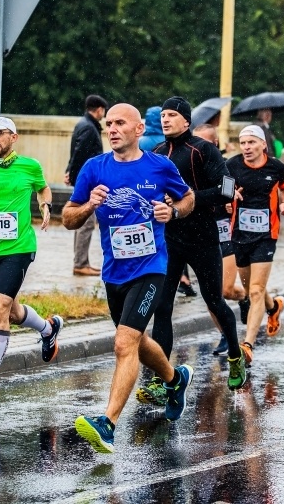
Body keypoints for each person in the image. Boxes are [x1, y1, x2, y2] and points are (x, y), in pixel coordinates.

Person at [63, 103, 196, 453]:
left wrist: (174, 211)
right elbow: (68, 218)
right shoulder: (94, 168)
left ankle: (107, 423)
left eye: (121, 123)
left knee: (123, 343)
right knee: (135, 340)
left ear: (139, 129)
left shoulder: (159, 166)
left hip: (152, 268)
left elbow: (188, 199)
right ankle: (175, 379)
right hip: (114, 272)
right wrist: (88, 205)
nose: (113, 129)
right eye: (109, 123)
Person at [138, 96, 246, 406]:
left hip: (202, 237)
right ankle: (162, 380)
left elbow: (226, 190)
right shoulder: (156, 153)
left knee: (214, 300)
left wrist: (188, 198)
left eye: (173, 115)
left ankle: (236, 354)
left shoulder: (203, 149)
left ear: (186, 120)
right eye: (164, 115)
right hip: (170, 239)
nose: (166, 119)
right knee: (162, 306)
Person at [0, 117, 64, 406]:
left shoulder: (29, 166)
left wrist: (45, 204)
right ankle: (48, 328)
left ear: (13, 137)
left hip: (20, 248)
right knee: (6, 310)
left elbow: (43, 188)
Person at [227, 125, 284, 364]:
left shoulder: (276, 167)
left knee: (255, 290)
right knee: (250, 289)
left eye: (251, 143)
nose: (246, 147)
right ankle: (274, 307)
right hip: (240, 234)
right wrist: (230, 196)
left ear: (263, 145)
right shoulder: (231, 165)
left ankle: (247, 345)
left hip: (267, 234)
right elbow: (225, 191)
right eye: (243, 143)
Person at [193, 122, 249, 354]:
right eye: (194, 142)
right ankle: (225, 335)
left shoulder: (225, 168)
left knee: (225, 290)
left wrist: (231, 200)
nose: (197, 148)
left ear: (215, 145)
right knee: (210, 295)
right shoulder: (185, 167)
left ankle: (246, 297)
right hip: (201, 236)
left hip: (226, 235)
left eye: (204, 143)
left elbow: (232, 191)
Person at [65, 95, 108, 277]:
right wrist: (75, 173)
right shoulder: (89, 128)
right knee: (86, 224)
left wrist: (69, 170)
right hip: (88, 183)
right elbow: (81, 154)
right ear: (99, 109)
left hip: (82, 180)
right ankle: (81, 263)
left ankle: (81, 262)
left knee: (82, 223)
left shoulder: (82, 123)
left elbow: (75, 152)